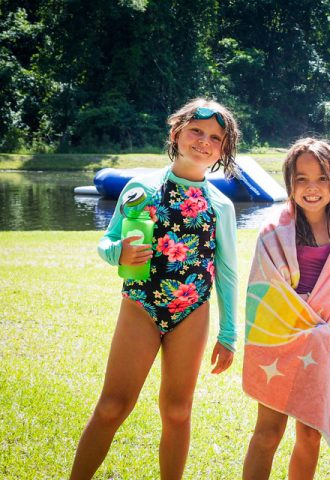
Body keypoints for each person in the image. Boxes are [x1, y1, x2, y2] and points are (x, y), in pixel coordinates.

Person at [70, 98, 240, 480]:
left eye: (215, 137)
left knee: (178, 412)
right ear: (176, 131)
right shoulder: (142, 187)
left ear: (223, 149)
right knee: (113, 405)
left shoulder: (220, 205)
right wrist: (120, 252)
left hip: (191, 310)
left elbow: (227, 271)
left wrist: (229, 333)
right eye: (196, 130)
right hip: (141, 305)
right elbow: (107, 241)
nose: (204, 141)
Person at [241, 139, 330, 479]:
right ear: (289, 183)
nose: (312, 188)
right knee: (268, 431)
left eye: (322, 178)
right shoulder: (274, 232)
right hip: (283, 341)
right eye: (302, 179)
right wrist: (304, 319)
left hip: (324, 345)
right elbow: (266, 291)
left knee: (310, 434)